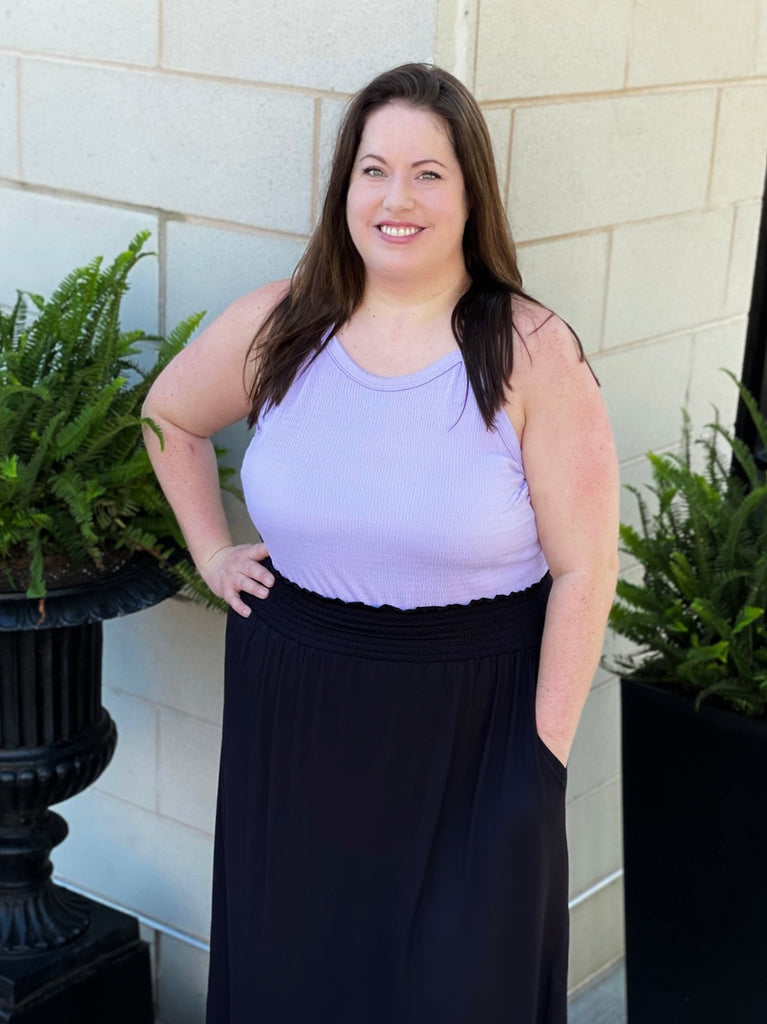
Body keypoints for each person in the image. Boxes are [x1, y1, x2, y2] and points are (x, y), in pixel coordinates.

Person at [143, 62, 619, 1024]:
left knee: (459, 988)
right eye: (373, 169)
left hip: (476, 720)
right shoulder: (279, 324)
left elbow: (583, 568)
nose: (396, 198)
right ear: (344, 187)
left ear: (469, 191)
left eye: (427, 173)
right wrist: (210, 551)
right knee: (296, 979)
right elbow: (168, 417)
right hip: (299, 704)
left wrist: (542, 754)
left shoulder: (528, 349)